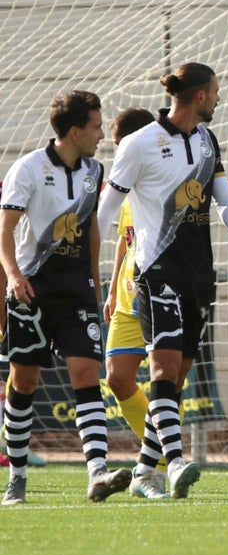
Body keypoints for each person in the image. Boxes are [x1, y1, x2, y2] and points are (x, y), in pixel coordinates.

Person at [97, 63, 228, 500]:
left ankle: (145, 471)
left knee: (178, 377)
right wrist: (91, 270)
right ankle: (176, 459)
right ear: (200, 96)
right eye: (216, 92)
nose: (220, 99)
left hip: (200, 274)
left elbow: (221, 195)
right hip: (156, 271)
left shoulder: (206, 141)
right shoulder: (139, 144)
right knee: (162, 368)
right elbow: (107, 210)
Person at [1, 90, 131, 505]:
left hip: (76, 292)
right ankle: (16, 478)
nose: (101, 134)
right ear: (75, 131)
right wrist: (15, 276)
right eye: (96, 127)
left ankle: (96, 473)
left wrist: (96, 282)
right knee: (24, 382)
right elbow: (4, 230)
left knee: (86, 375)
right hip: (32, 292)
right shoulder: (29, 169)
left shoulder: (95, 169)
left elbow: (91, 227)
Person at [100, 107, 169, 496]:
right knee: (117, 377)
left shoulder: (163, 183)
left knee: (164, 382)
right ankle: (158, 453)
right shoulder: (125, 188)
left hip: (160, 295)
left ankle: (158, 459)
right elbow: (125, 244)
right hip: (127, 298)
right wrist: (111, 289)